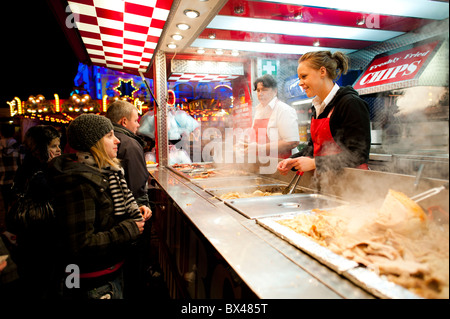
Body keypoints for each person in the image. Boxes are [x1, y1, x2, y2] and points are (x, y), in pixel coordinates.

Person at [48, 114, 148, 299]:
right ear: (94, 142)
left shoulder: (105, 172)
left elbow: (103, 217)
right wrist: (129, 229)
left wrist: (131, 212)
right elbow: (80, 245)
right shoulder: (79, 182)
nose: (117, 140)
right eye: (109, 135)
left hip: (108, 274)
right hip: (93, 283)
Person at [278, 51, 371, 176]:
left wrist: (315, 163)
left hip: (352, 185)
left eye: (304, 76)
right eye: (299, 78)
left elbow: (359, 154)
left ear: (322, 72)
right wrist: (292, 160)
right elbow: (313, 148)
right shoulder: (318, 107)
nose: (300, 83)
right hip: (328, 183)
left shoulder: (350, 103)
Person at [7, 125, 61, 299]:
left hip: (30, 241)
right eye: (53, 146)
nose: (58, 149)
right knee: (45, 282)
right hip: (41, 240)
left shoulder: (29, 167)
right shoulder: (40, 173)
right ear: (40, 148)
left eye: (59, 145)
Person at [106, 100, 153, 298]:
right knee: (135, 266)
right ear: (124, 121)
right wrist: (142, 207)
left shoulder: (111, 139)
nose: (138, 125)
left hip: (117, 218)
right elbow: (136, 184)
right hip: (131, 218)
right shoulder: (129, 143)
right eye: (136, 120)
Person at [244, 74, 299, 159]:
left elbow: (292, 142)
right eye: (258, 90)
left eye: (264, 90)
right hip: (261, 162)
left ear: (275, 91)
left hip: (281, 163)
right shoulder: (258, 110)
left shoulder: (284, 110)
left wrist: (260, 148)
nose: (260, 94)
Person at [0, 124, 21, 232]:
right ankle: (14, 227)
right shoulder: (18, 147)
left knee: (5, 204)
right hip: (16, 181)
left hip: (3, 182)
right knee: (15, 205)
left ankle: (6, 226)